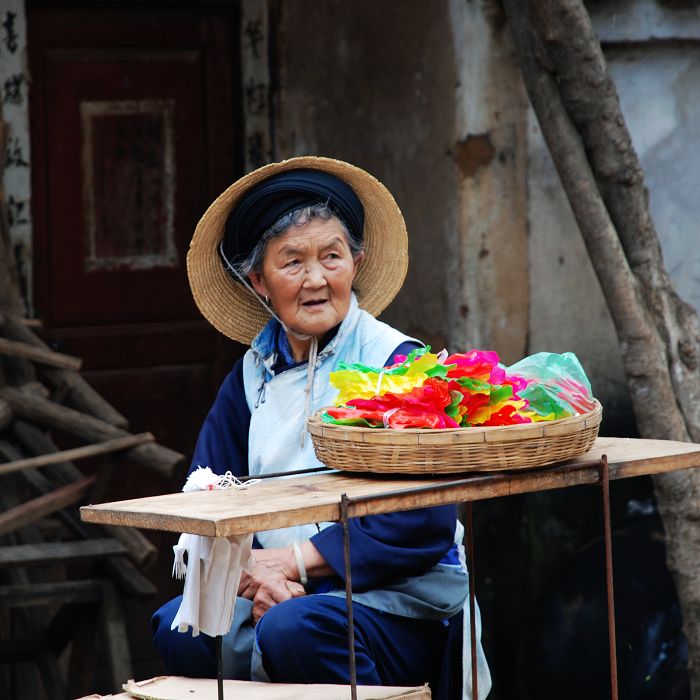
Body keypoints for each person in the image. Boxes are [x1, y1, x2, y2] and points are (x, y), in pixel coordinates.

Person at [152, 156, 491, 699]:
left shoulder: (398, 364)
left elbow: (423, 521)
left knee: (296, 628)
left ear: (355, 262)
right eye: (292, 262)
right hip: (275, 590)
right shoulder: (250, 376)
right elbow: (208, 497)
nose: (316, 279)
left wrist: (296, 567)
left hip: (400, 606)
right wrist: (255, 576)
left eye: (332, 256)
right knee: (184, 627)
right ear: (257, 280)